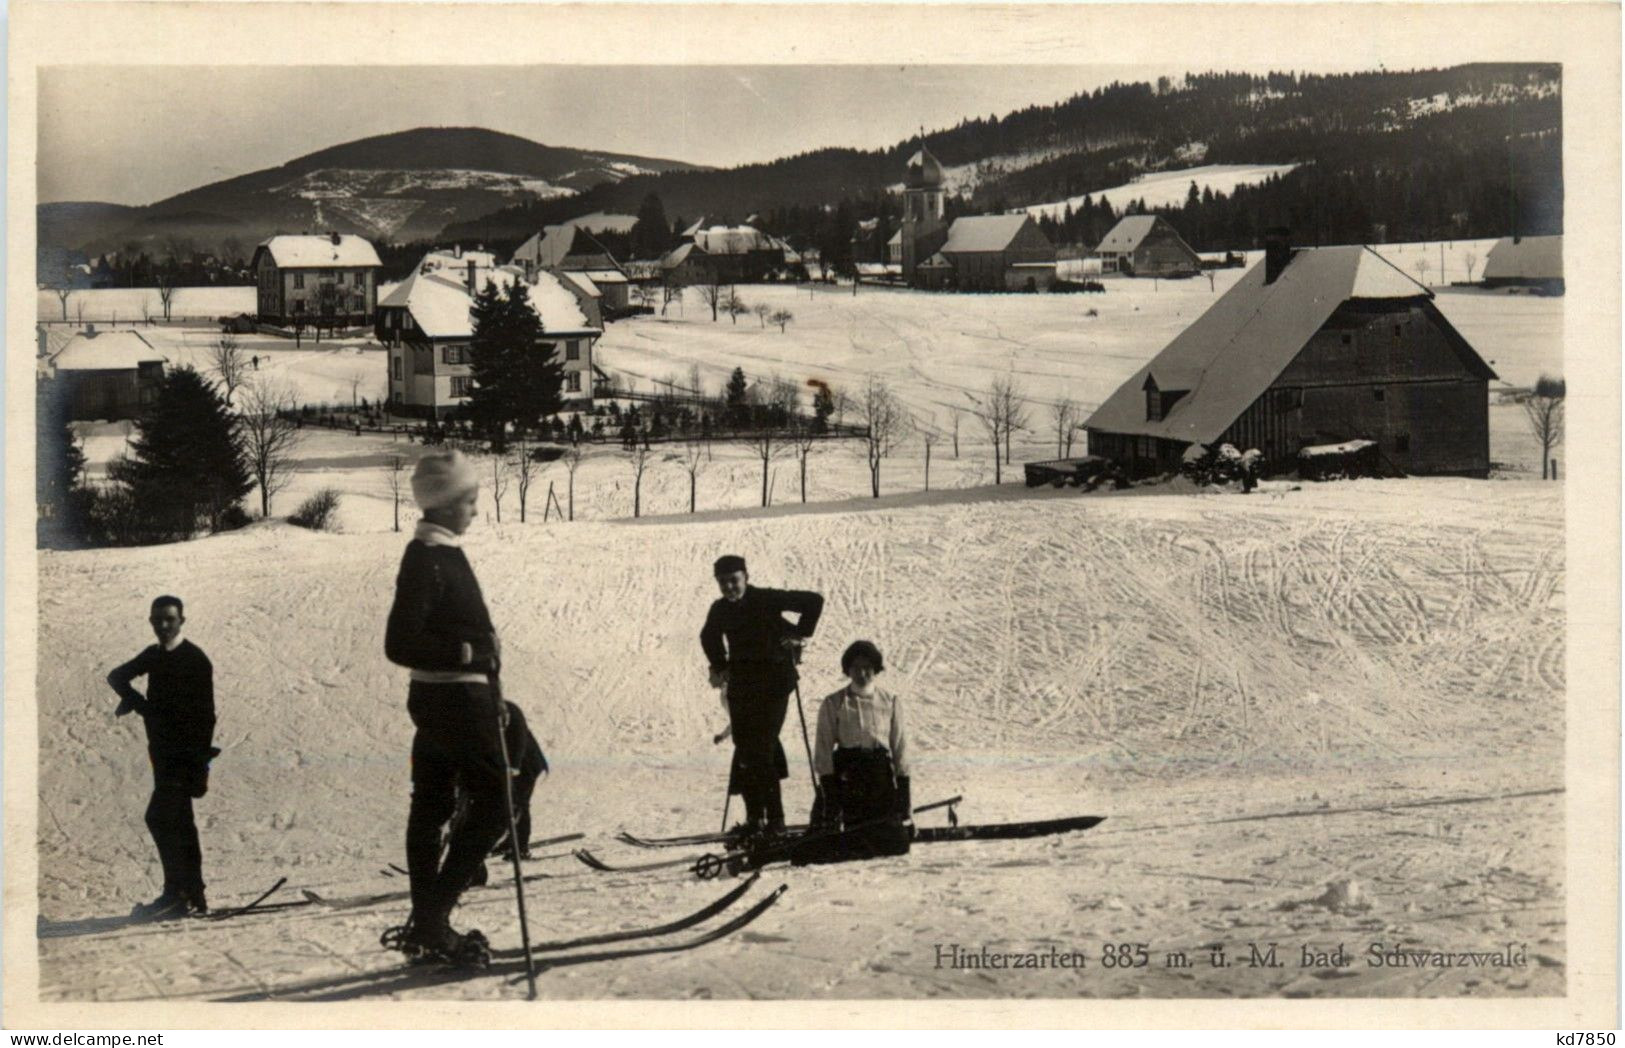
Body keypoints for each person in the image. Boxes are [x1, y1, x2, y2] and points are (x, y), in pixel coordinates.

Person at [382, 449, 506, 966]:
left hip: (453, 697)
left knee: (431, 806)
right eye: (470, 500)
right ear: (446, 503)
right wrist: (468, 655)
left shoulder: (443, 550)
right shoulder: (428, 557)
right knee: (498, 799)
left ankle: (428, 923)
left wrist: (492, 686)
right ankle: (433, 917)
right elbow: (399, 644)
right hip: (452, 697)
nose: (476, 510)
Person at [106, 595, 220, 919]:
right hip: (162, 755)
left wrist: (199, 763)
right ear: (151, 622)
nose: (163, 625)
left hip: (184, 758)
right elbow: (116, 676)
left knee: (160, 818)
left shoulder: (195, 660)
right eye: (158, 619)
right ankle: (191, 895)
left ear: (182, 620)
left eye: (170, 619)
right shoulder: (154, 655)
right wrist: (139, 704)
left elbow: (206, 717)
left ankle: (177, 894)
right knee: (180, 823)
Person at [700, 555, 823, 838]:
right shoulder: (719, 610)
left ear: (746, 576)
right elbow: (708, 636)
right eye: (723, 582)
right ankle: (755, 818)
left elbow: (813, 601)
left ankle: (776, 821)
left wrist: (800, 635)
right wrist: (720, 666)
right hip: (743, 685)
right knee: (746, 751)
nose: (729, 587)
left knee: (763, 749)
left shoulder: (766, 598)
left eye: (734, 580)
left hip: (774, 683)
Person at [792, 640, 912, 865]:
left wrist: (904, 796)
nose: (862, 673)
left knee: (898, 844)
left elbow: (899, 747)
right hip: (847, 777)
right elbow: (824, 748)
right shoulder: (834, 703)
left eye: (867, 667)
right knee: (826, 837)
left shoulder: (891, 702)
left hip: (878, 779)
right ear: (848, 669)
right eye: (856, 667)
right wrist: (828, 793)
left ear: (875, 669)